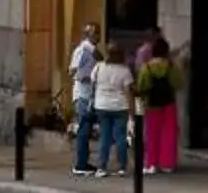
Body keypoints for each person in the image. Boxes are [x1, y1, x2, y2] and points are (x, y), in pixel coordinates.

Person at [136, 34, 178, 175]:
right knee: (169, 133)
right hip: (169, 103)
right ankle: (167, 164)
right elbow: (179, 83)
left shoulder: (146, 67)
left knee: (151, 134)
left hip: (151, 104)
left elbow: (141, 86)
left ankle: (152, 163)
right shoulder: (171, 66)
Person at [93, 44, 133, 177]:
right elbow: (128, 92)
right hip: (120, 106)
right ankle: (122, 166)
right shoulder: (125, 70)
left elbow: (93, 84)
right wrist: (132, 112)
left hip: (101, 105)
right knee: (120, 136)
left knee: (105, 136)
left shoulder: (99, 67)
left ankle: (102, 167)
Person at [69, 21, 99, 175]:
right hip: (82, 95)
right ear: (87, 35)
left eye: (98, 32)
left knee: (86, 130)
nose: (98, 35)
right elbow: (73, 72)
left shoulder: (94, 51)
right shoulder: (82, 50)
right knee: (83, 130)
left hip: (90, 96)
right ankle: (80, 164)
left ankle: (83, 162)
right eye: (94, 32)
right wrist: (89, 77)